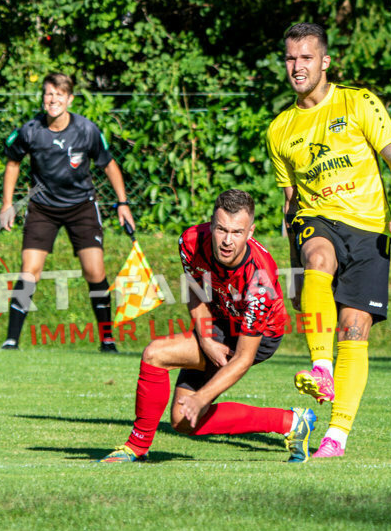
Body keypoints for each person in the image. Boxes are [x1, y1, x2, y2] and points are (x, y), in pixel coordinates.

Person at [267, 22, 391, 458]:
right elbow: (290, 203)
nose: (297, 67)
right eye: (291, 58)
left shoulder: (358, 102)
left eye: (306, 58)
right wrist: (294, 268)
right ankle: (320, 367)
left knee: (355, 329)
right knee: (317, 258)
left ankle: (337, 436)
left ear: (324, 62)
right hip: (319, 219)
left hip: (370, 231)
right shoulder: (280, 129)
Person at [100, 190, 316, 464]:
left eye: (237, 232)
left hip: (259, 337)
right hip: (220, 319)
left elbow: (243, 359)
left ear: (250, 232)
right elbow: (195, 290)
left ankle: (136, 447)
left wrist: (202, 397)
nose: (227, 241)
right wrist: (205, 340)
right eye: (221, 229)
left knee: (156, 354)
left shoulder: (259, 279)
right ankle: (292, 422)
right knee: (182, 421)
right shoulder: (190, 241)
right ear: (211, 225)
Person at [0, 73, 134, 352]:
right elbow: (13, 163)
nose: (53, 99)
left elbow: (109, 165)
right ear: (43, 98)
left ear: (69, 99)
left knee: (95, 272)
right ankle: (11, 341)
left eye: (59, 95)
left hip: (82, 207)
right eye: (49, 94)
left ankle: (107, 340)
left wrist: (123, 203)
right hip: (42, 209)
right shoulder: (31, 130)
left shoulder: (86, 130)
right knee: (29, 272)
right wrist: (7, 204)